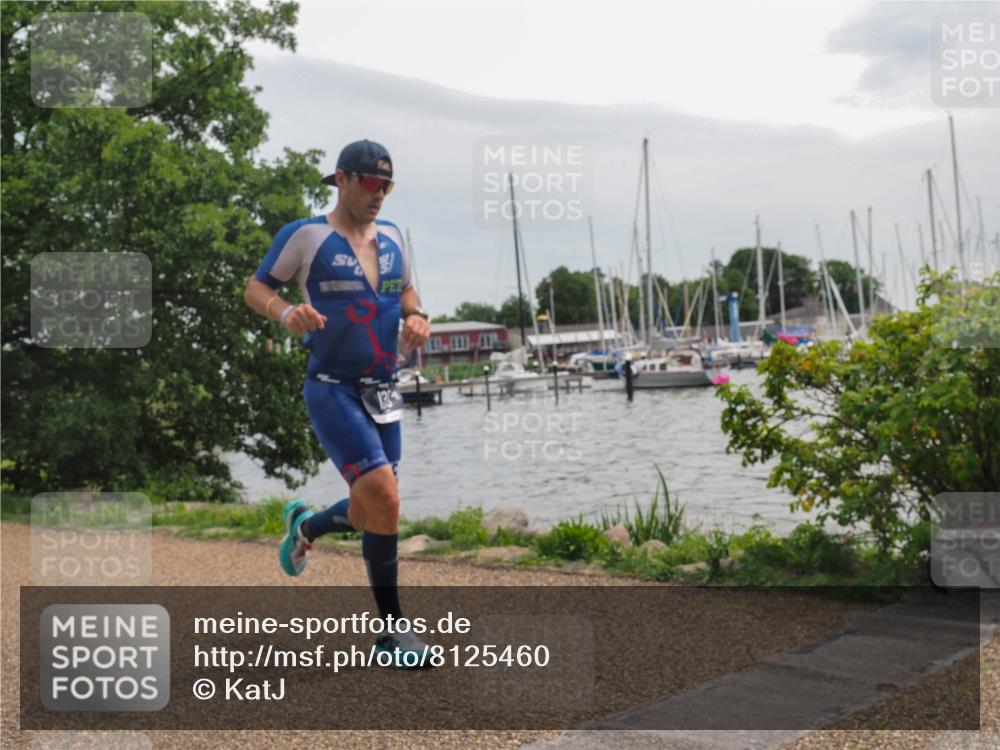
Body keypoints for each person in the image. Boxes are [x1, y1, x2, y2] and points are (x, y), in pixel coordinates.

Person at [243, 139, 432, 668]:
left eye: (387, 186)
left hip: (383, 387)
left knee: (369, 508)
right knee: (386, 501)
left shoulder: (393, 237)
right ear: (343, 179)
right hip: (331, 386)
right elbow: (256, 289)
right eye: (372, 184)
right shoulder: (306, 236)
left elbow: (409, 294)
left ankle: (305, 526)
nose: (380, 195)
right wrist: (285, 313)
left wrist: (419, 318)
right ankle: (392, 633)